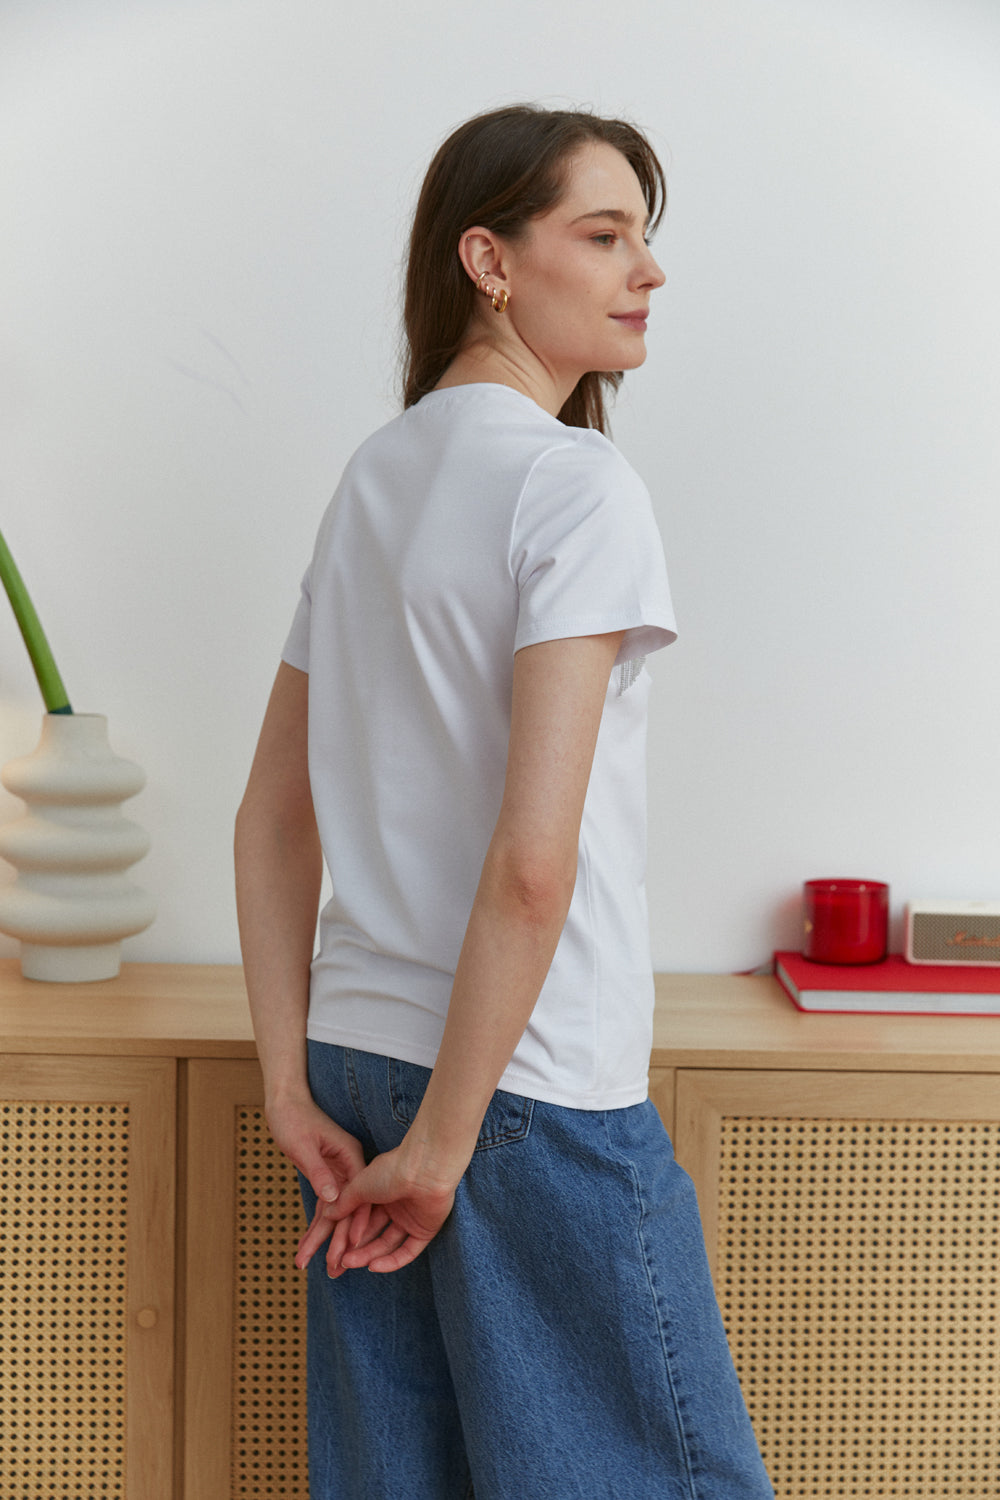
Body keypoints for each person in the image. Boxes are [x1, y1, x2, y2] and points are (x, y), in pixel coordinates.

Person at [235, 103, 773, 1500]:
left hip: (362, 1061)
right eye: (603, 236)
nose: (645, 272)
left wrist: (291, 1083)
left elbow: (271, 818)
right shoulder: (575, 486)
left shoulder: (377, 475)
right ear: (489, 259)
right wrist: (451, 1148)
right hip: (524, 1087)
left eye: (645, 239)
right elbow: (534, 865)